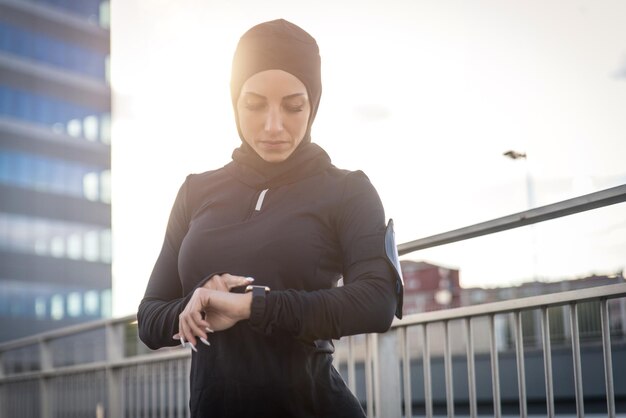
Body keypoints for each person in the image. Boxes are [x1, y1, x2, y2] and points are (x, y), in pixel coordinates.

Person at [137, 18, 403, 418]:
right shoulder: (195, 191)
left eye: (294, 106)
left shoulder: (348, 189)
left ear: (313, 104)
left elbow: (378, 301)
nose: (274, 126)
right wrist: (194, 307)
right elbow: (149, 317)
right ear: (233, 100)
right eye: (255, 104)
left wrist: (251, 306)